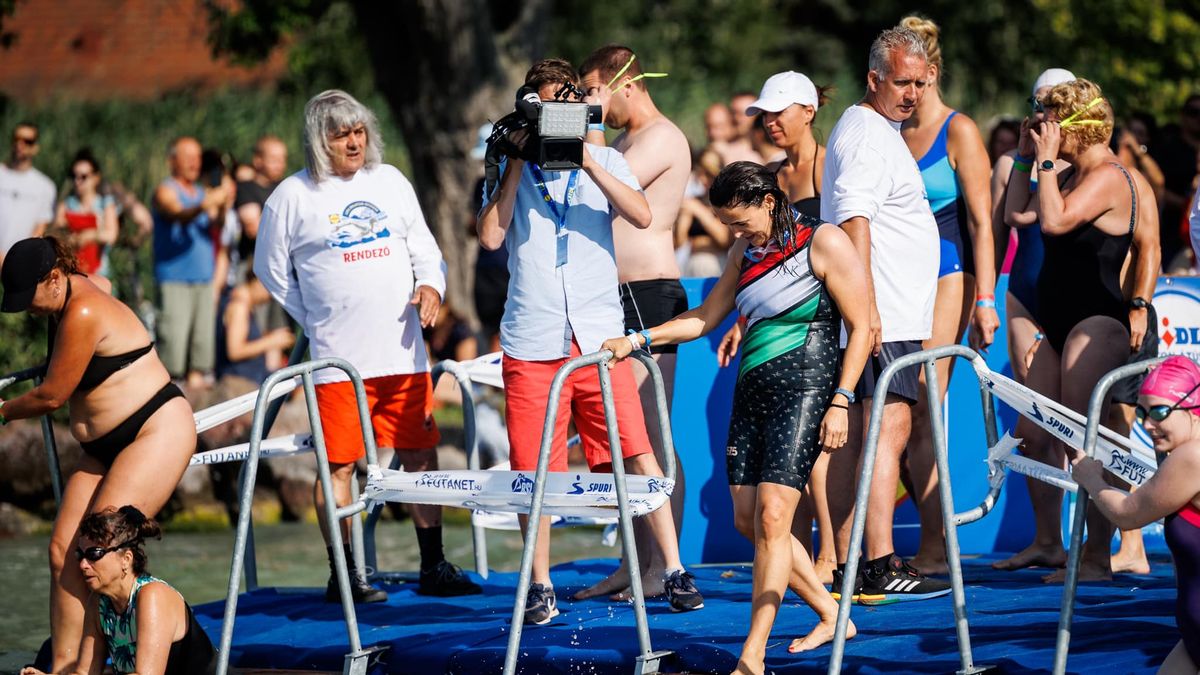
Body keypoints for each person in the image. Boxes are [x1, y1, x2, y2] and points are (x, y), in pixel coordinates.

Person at [601, 161, 871, 668]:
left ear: (769, 201)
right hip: (752, 393)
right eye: (727, 223)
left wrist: (841, 399)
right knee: (749, 521)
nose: (734, 231)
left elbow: (862, 327)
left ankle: (752, 653)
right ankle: (831, 614)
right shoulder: (745, 250)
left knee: (773, 518)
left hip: (807, 391)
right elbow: (705, 318)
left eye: (739, 221)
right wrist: (637, 340)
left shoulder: (825, 241)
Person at [478, 58, 701, 623]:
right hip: (533, 336)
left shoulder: (607, 158)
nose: (555, 119)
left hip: (598, 337)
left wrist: (586, 159)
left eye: (565, 106)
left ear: (580, 107)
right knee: (533, 467)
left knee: (636, 450)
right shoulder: (511, 162)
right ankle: (539, 583)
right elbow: (489, 236)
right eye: (544, 107)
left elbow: (643, 213)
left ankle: (672, 568)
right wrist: (515, 161)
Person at [255, 89, 480, 603]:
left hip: (402, 351)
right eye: (341, 134)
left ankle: (433, 564)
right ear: (319, 140)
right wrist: (312, 317)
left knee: (421, 455)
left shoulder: (391, 181)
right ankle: (345, 574)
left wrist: (431, 288)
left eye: (359, 132)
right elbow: (269, 271)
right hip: (338, 360)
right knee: (338, 465)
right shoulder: (292, 195)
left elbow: (427, 250)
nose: (354, 142)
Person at [0, 236, 196, 671]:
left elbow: (52, 397)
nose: (26, 310)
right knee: (61, 551)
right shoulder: (79, 289)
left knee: (99, 546)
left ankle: (127, 651)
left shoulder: (83, 309)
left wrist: (3, 411)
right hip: (104, 447)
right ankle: (66, 668)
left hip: (154, 429)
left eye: (27, 298)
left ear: (54, 279)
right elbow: (101, 280)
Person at [999, 78, 1161, 582]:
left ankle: (1094, 555)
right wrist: (1027, 158)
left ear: (1075, 129)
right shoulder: (1070, 174)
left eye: (1050, 125)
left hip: (1096, 320)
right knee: (1050, 429)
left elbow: (1054, 223)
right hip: (1058, 319)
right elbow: (1016, 213)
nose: (1043, 131)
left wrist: (1139, 303)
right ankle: (1090, 545)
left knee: (1085, 439)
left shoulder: (1112, 176)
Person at [820, 27, 949, 604]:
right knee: (885, 437)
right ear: (874, 79)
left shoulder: (878, 130)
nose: (914, 93)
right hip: (883, 317)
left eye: (922, 83)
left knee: (872, 439)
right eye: (903, 82)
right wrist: (866, 311)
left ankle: (858, 561)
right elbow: (855, 223)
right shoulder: (869, 136)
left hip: (890, 314)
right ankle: (878, 562)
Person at [577, 44, 693, 601]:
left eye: (591, 92)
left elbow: (604, 186)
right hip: (609, 298)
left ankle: (661, 568)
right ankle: (632, 561)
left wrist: (589, 133)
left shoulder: (663, 137)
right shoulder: (617, 142)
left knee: (653, 434)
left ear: (623, 83)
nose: (585, 105)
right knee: (623, 440)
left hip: (650, 296)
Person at [897, 15, 998, 575]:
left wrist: (985, 299)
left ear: (929, 72)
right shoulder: (891, 130)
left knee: (924, 411)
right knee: (897, 416)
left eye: (912, 78)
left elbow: (983, 223)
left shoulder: (959, 130)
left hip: (949, 273)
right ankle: (931, 539)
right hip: (897, 279)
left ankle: (935, 548)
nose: (905, 89)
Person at [739, 70, 839, 584]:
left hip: (829, 321)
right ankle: (800, 554)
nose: (771, 122)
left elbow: (858, 244)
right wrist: (744, 316)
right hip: (782, 328)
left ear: (809, 111)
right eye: (765, 113)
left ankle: (831, 554)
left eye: (779, 111)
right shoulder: (771, 177)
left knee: (821, 451)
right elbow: (759, 259)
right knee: (800, 458)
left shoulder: (833, 171)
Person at [1071, 356, 1200, 673]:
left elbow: (1128, 514)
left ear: (1194, 409)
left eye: (1158, 412)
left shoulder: (1192, 456)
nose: (1146, 424)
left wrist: (1091, 478)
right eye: (1141, 412)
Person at [20, 506, 215, 675]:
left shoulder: (152, 596)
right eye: (80, 555)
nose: (83, 565)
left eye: (94, 554)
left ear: (126, 559)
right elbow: (86, 672)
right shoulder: (99, 603)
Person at [151, 137, 228, 390]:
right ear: (172, 160)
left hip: (204, 280)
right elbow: (176, 214)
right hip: (174, 280)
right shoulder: (166, 190)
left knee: (202, 352)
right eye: (188, 156)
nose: (195, 162)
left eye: (197, 156)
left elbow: (217, 225)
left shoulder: (203, 192)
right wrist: (203, 206)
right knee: (173, 348)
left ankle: (200, 408)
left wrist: (223, 204)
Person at [215, 273, 294, 386]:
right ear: (258, 280)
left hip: (251, 380)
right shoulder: (239, 306)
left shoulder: (245, 306)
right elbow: (235, 351)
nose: (270, 297)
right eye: (270, 289)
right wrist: (271, 341)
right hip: (240, 383)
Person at [1150, 94, 1199, 268]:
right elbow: (1156, 185)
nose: (1197, 117)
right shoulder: (1168, 147)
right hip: (1173, 234)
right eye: (1193, 112)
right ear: (1182, 115)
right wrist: (1186, 203)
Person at [54, 150, 118, 276]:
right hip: (71, 272)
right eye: (74, 176)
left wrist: (89, 235)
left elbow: (111, 235)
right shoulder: (66, 204)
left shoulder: (105, 204)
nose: (78, 181)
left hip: (99, 273)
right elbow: (55, 235)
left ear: (96, 178)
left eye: (83, 176)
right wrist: (69, 238)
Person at [0, 122, 56, 266]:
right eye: (17, 138)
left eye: (27, 141)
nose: (20, 144)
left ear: (36, 147)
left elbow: (40, 229)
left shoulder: (45, 186)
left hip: (20, 264)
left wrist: (19, 260)